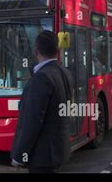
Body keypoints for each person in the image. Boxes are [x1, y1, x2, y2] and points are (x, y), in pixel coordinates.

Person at [10, 30, 72, 173]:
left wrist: (20, 156)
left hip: (43, 155)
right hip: (58, 150)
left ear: (36, 50)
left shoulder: (42, 77)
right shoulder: (64, 72)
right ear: (57, 50)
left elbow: (32, 122)